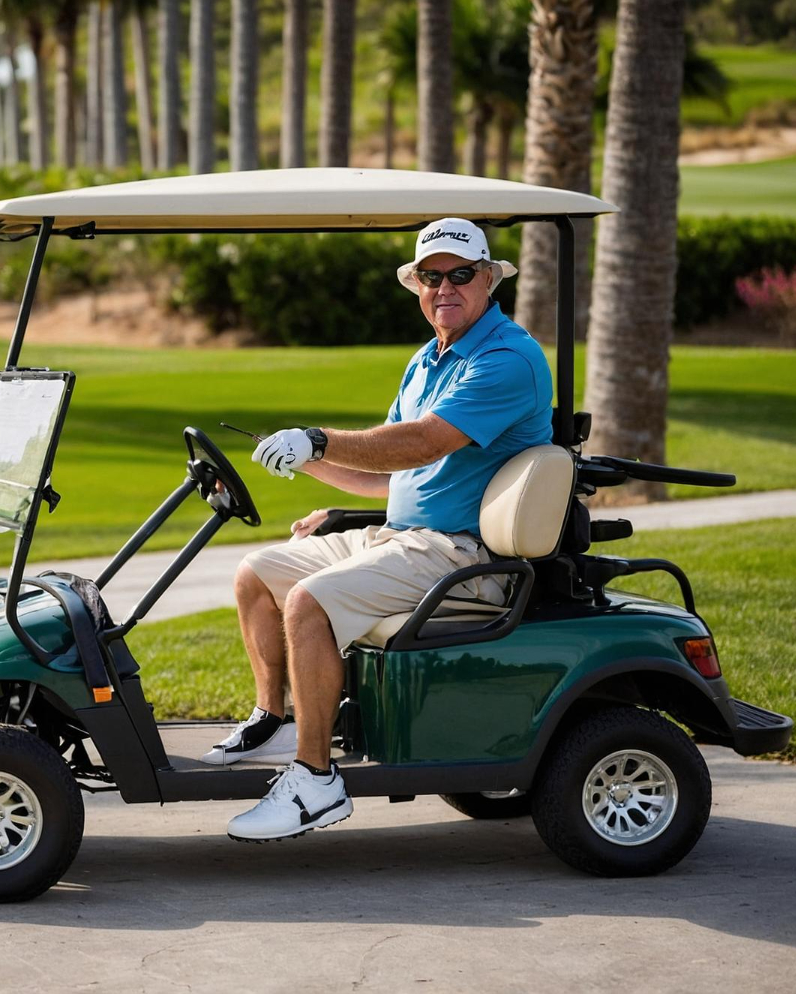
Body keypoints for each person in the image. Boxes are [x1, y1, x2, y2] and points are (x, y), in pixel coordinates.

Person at [213, 218, 552, 843]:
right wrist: (304, 458)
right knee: (257, 574)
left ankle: (316, 781)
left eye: (459, 275)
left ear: (488, 280)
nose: (444, 287)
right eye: (431, 276)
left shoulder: (507, 357)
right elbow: (389, 474)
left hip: (459, 556)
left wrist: (318, 436)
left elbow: (421, 441)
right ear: (417, 286)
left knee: (309, 602)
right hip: (401, 538)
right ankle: (275, 719)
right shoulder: (429, 359)